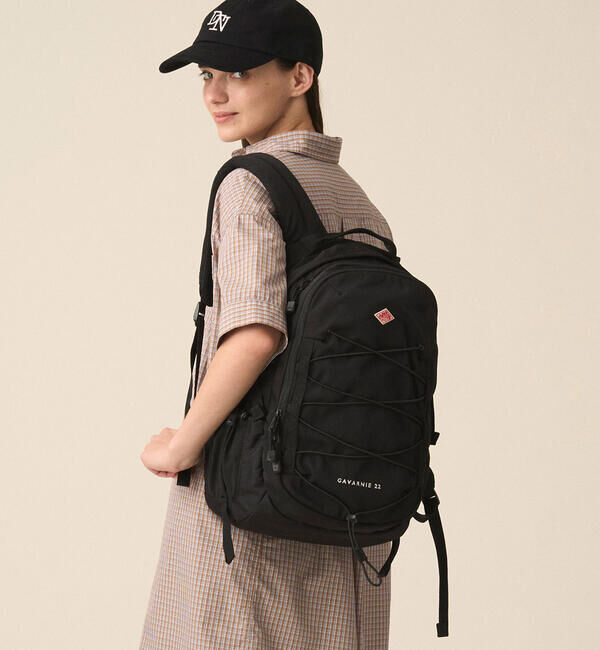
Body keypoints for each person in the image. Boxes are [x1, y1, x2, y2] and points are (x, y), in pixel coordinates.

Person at [140, 2, 396, 647]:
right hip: (351, 512)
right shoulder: (356, 199)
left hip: (246, 510)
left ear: (300, 76)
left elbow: (255, 332)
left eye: (239, 73)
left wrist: (182, 445)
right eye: (206, 75)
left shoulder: (249, 183)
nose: (215, 95)